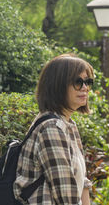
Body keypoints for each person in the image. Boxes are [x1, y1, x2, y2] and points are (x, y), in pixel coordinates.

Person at [14, 53, 94, 205]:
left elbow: (82, 181)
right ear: (58, 85)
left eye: (88, 82)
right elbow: (65, 195)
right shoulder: (51, 128)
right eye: (78, 82)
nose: (85, 88)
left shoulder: (68, 125)